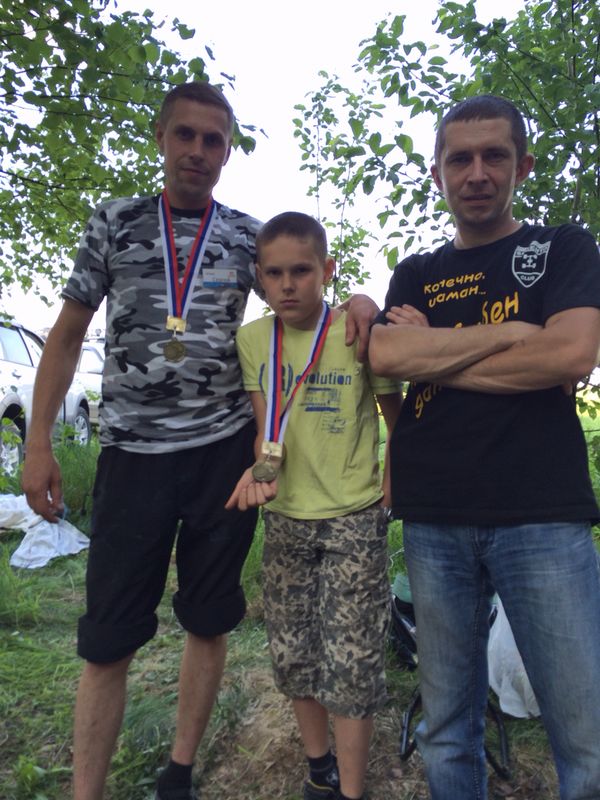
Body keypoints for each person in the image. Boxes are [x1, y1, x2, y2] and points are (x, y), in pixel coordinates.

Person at [21, 83, 376, 800]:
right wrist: (38, 444)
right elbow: (66, 335)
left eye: (213, 140)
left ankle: (179, 772)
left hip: (221, 456)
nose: (198, 150)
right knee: (108, 637)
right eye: (185, 134)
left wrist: (361, 303)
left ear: (227, 152)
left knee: (208, 621)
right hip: (132, 456)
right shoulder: (115, 221)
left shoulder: (246, 236)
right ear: (161, 138)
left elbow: (300, 304)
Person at [369, 94, 600, 800]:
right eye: (459, 159)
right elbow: (387, 353)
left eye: (494, 156)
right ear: (437, 172)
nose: (476, 173)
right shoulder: (415, 273)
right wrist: (514, 336)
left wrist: (435, 352)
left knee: (586, 734)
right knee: (446, 729)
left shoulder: (562, 248)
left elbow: (570, 354)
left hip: (542, 515)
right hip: (434, 515)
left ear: (522, 166)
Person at [225, 211, 403, 800]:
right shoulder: (253, 340)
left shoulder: (357, 330)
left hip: (353, 518)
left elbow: (395, 417)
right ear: (259, 276)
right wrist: (260, 472)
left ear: (327, 270)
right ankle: (319, 767)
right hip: (285, 520)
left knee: (352, 663)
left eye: (301, 271)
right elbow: (265, 431)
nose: (287, 285)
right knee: (294, 653)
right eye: (274, 273)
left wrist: (391, 482)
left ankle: (351, 789)